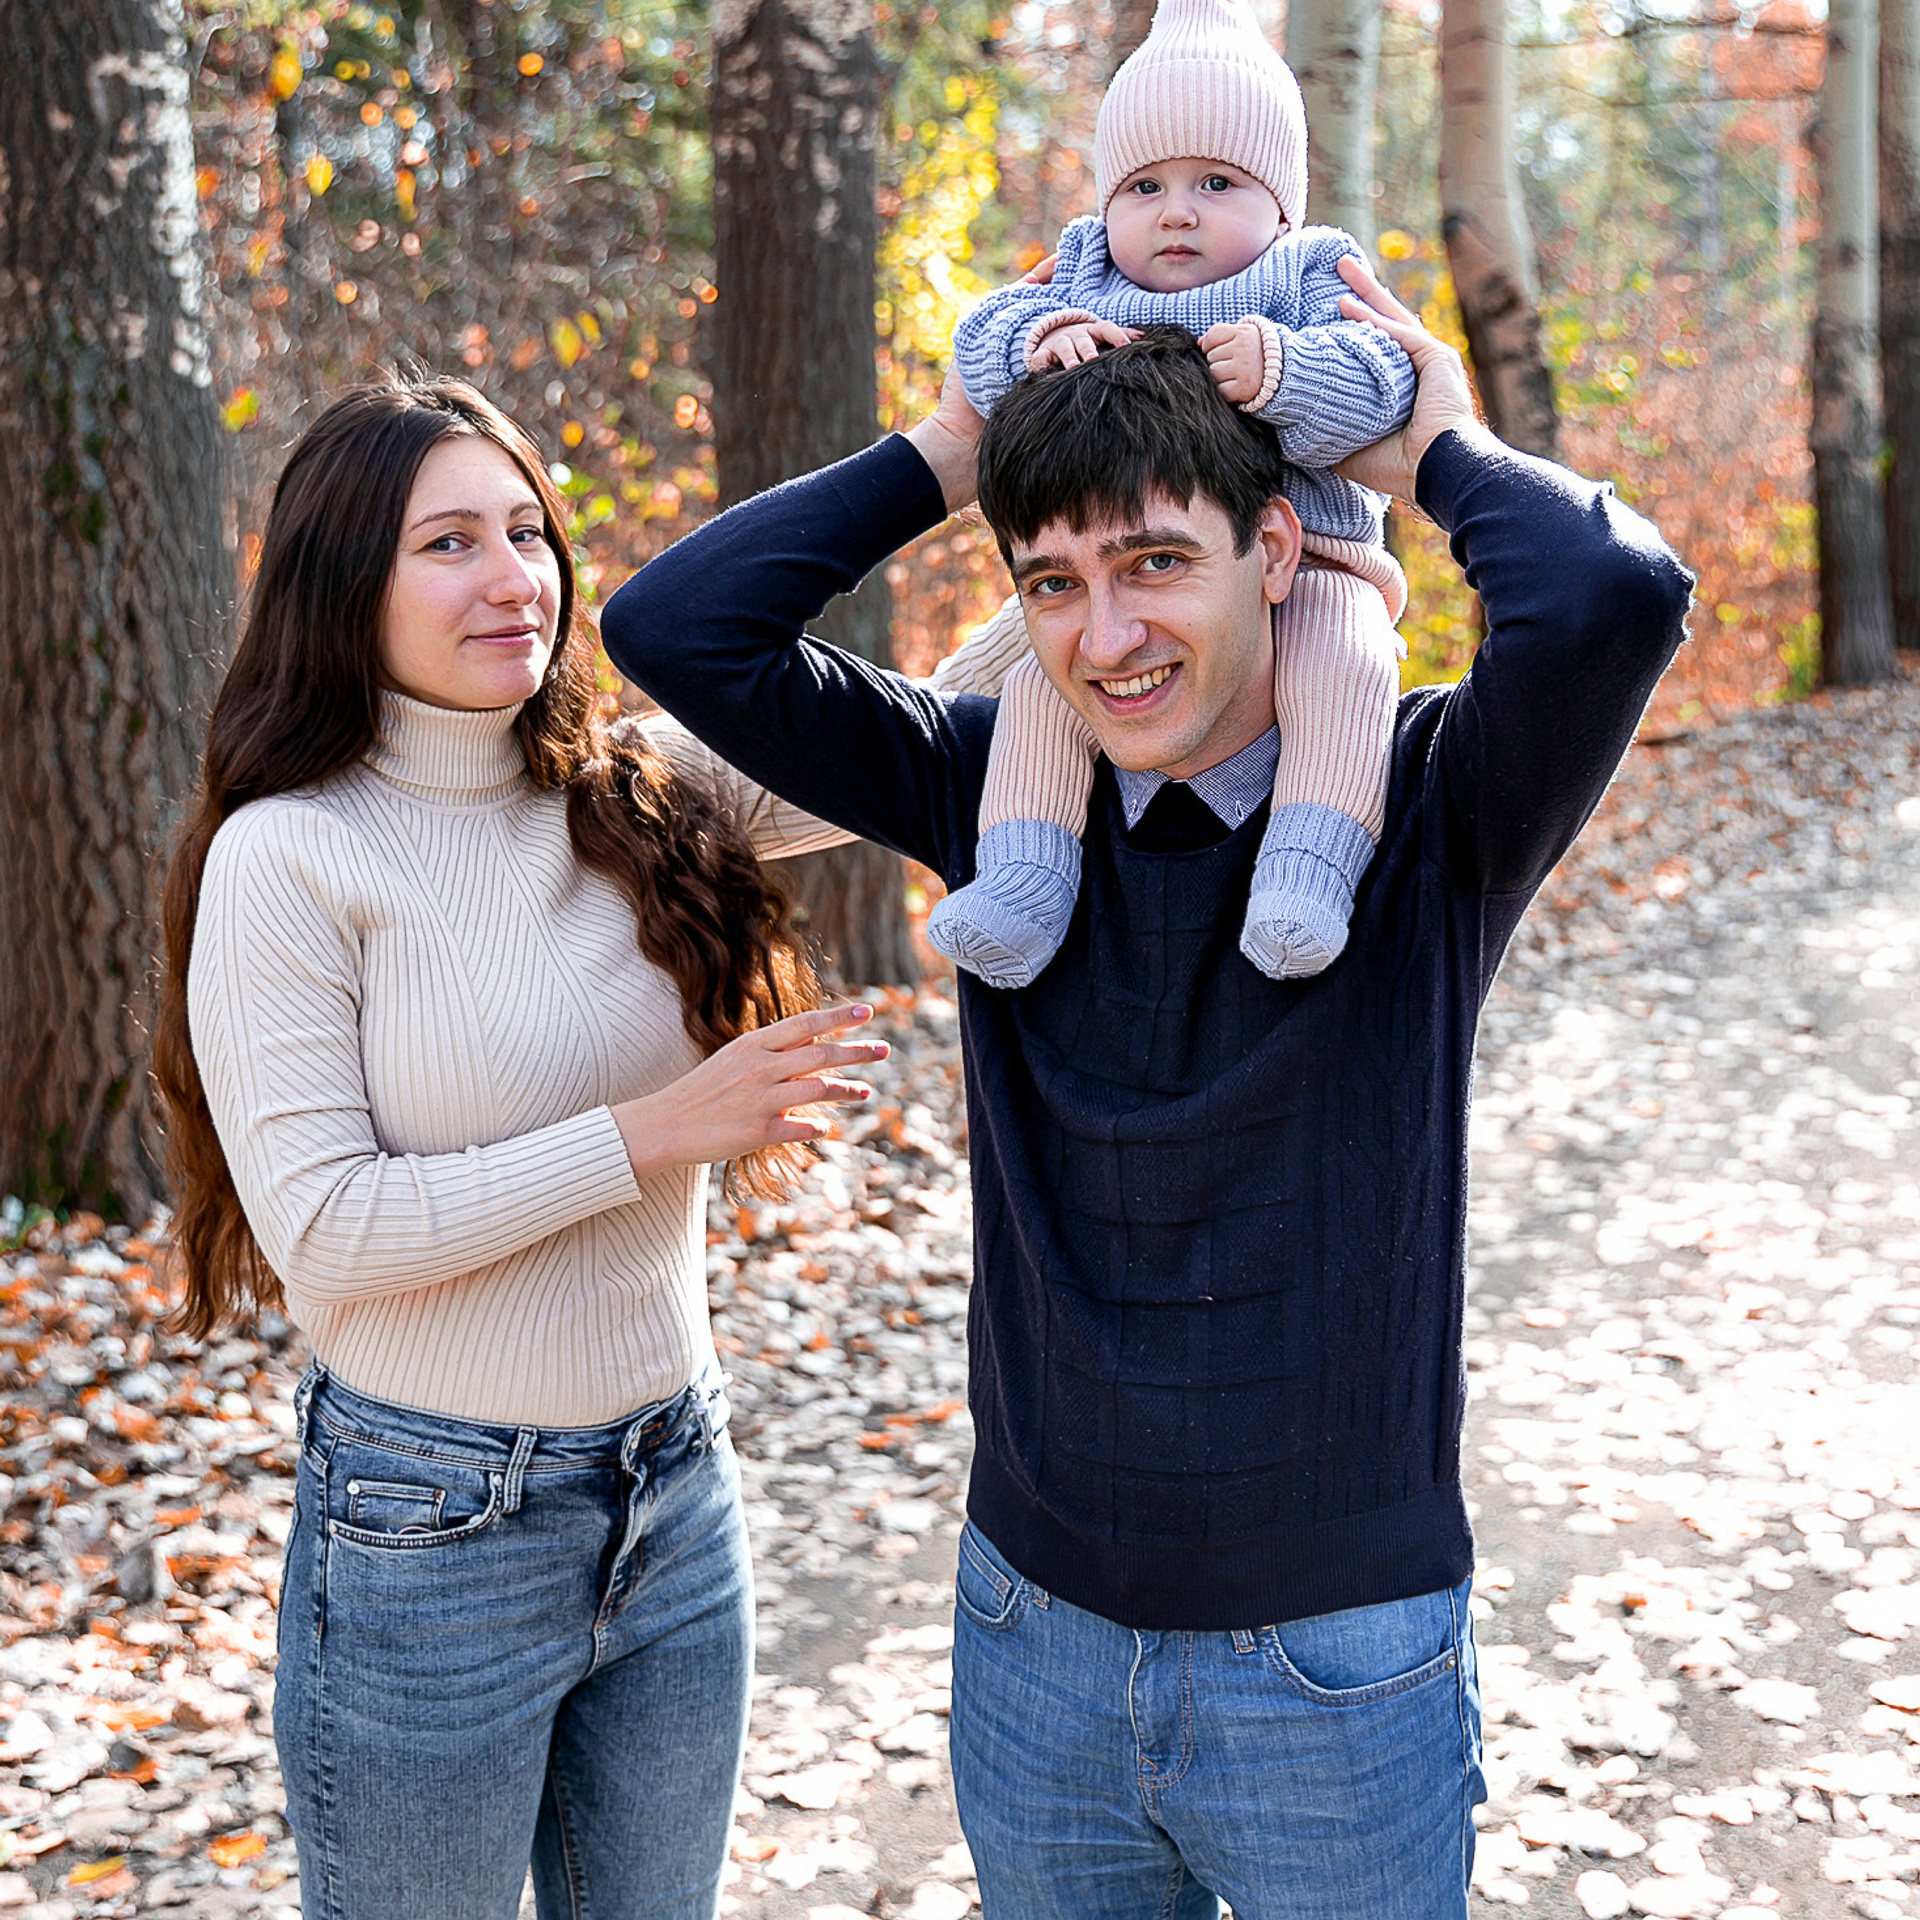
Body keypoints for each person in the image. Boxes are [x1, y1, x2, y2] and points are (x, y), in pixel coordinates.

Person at [599, 265, 1694, 1917]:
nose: (1104, 639)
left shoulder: (1429, 807)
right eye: (1053, 585)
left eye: (1156, 563)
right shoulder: (994, 799)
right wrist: (966, 443)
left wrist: (1422, 444)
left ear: (1272, 554)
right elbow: (673, 629)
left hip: (1336, 1666)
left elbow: (1614, 592)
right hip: (1035, 1645)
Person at [151, 376, 1019, 1920]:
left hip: (674, 1492)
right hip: (430, 1536)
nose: (514, 577)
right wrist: (654, 1134)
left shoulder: (631, 789)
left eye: (527, 530)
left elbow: (943, 725)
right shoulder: (289, 858)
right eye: (448, 544)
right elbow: (328, 1232)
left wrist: (1036, 466)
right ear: (344, 582)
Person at [929, 0, 1415, 990]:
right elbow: (977, 342)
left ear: (1281, 204)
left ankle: (1306, 868)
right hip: (1126, 571)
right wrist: (1037, 344)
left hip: (1314, 558)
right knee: (1039, 693)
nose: (1177, 210)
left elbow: (1384, 377)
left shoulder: (1306, 269)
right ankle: (1024, 876)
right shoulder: (1085, 269)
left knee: (1348, 671)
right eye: (1143, 185)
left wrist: (1287, 371)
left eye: (1216, 182)